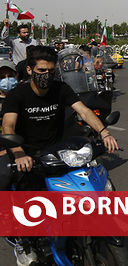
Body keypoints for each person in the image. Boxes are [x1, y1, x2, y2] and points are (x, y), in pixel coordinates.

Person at [0, 46, 119, 188]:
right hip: (26, 153)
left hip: (57, 152)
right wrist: (19, 153)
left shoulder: (61, 88)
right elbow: (8, 125)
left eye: (51, 71)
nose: (46, 75)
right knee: (5, 177)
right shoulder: (17, 94)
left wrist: (104, 133)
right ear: (29, 70)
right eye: (42, 70)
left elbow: (84, 112)